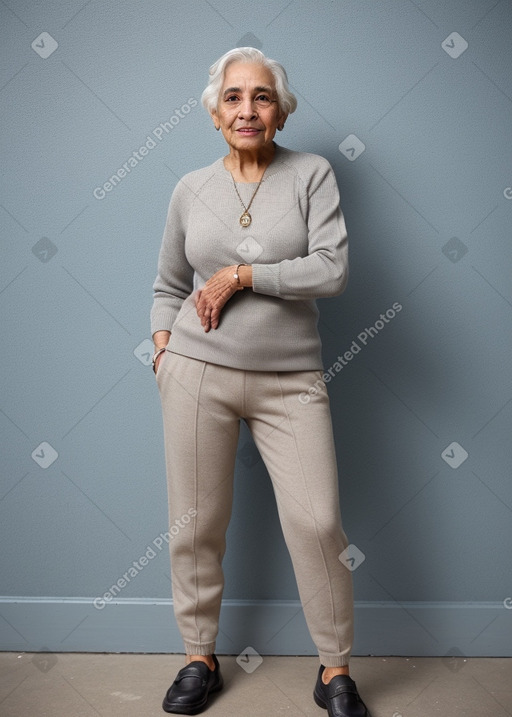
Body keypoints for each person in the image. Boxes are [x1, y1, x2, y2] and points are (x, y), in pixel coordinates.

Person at [151, 47, 371, 717]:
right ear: (216, 112)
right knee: (195, 523)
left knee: (317, 519)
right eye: (234, 97)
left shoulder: (312, 174)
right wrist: (164, 348)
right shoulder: (190, 187)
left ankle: (334, 670)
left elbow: (330, 270)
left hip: (289, 380)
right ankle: (199, 656)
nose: (248, 109)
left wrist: (243, 275)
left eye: (262, 97)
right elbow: (166, 285)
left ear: (282, 109)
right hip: (197, 374)